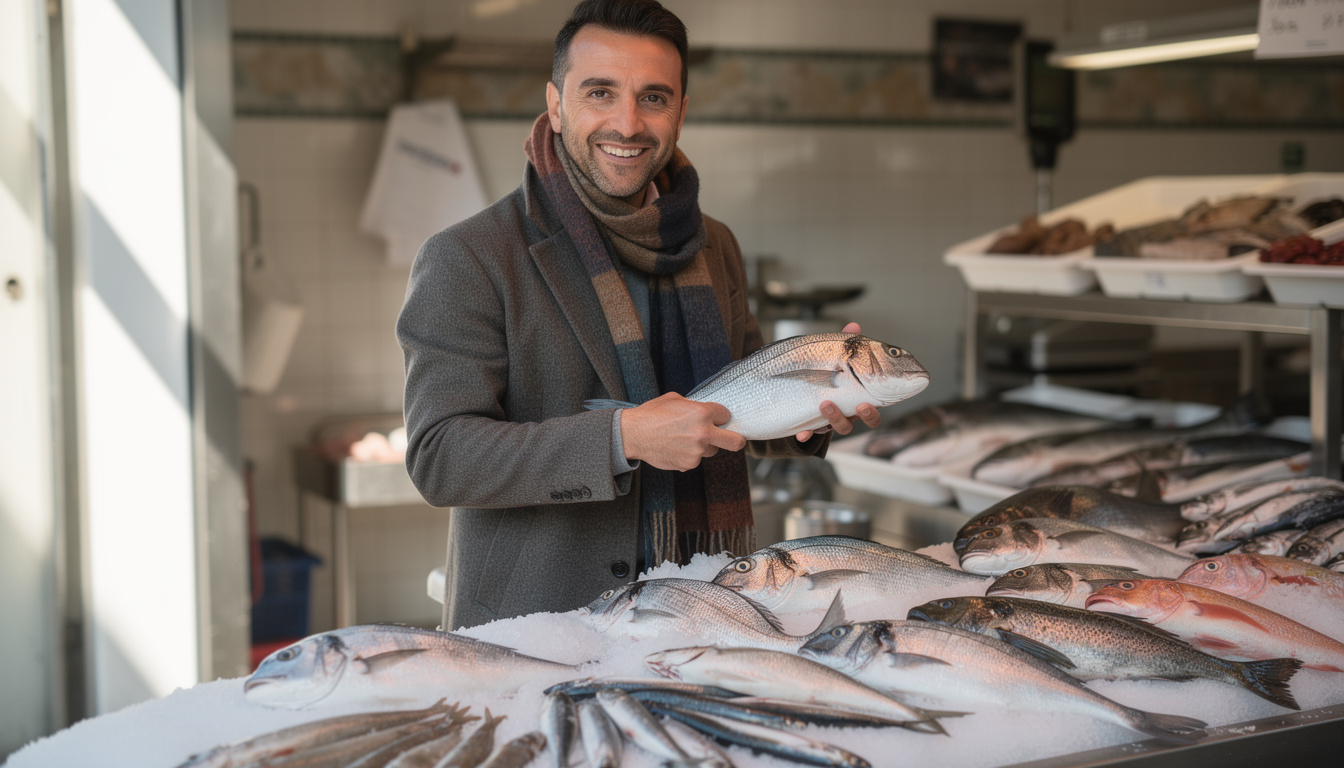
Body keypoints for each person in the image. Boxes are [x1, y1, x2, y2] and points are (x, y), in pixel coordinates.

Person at [397, 0, 879, 631]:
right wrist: (623, 440)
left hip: (706, 612)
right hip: (541, 630)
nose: (627, 123)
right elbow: (440, 457)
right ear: (556, 101)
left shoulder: (716, 245)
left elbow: (736, 411)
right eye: (601, 92)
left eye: (653, 97)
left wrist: (810, 408)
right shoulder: (470, 255)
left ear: (680, 109)